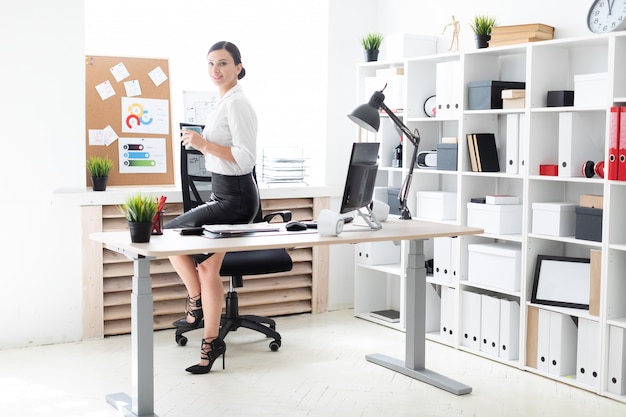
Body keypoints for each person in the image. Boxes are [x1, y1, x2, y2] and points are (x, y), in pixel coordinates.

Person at [164, 41, 258, 374]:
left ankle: (196, 303)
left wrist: (203, 143)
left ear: (238, 67)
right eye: (210, 64)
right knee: (207, 269)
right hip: (222, 193)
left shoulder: (238, 104)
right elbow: (223, 154)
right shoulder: (223, 102)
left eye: (222, 63)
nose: (215, 70)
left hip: (236, 198)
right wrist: (200, 145)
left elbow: (246, 158)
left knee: (172, 234)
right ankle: (211, 343)